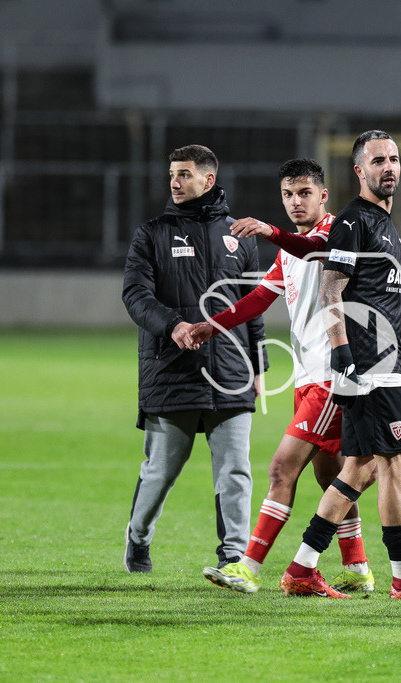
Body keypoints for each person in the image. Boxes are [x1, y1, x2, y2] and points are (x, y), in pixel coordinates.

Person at [279, 130, 401, 600]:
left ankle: (302, 568)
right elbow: (330, 289)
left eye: (395, 159)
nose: (390, 167)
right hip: (369, 366)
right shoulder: (355, 221)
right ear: (360, 171)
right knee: (397, 463)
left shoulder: (385, 225)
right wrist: (343, 356)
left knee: (360, 466)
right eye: (378, 160)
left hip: (380, 364)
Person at [183, 158, 376, 594]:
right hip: (307, 374)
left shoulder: (335, 234)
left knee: (280, 468)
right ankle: (358, 566)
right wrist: (206, 327)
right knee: (331, 476)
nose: (296, 201)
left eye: (304, 193)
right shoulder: (289, 253)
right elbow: (256, 300)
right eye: (288, 194)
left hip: (333, 373)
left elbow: (308, 249)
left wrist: (270, 231)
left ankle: (248, 568)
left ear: (323, 196)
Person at [121, 144, 267, 574]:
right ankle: (138, 539)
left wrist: (258, 365)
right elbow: (134, 295)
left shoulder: (240, 236)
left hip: (231, 373)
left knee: (236, 471)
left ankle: (234, 558)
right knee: (160, 473)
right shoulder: (151, 233)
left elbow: (253, 304)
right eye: (172, 173)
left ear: (208, 179)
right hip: (171, 371)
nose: (174, 181)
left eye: (184, 174)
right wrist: (173, 325)